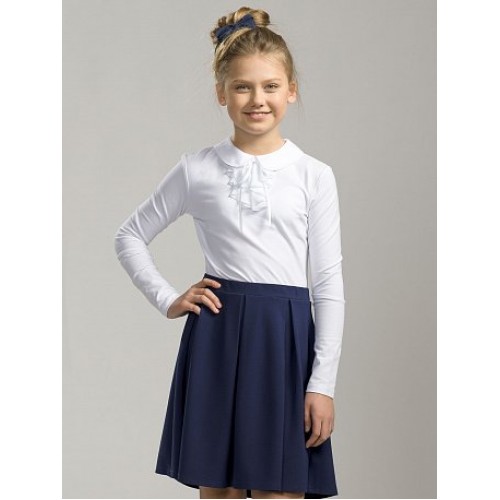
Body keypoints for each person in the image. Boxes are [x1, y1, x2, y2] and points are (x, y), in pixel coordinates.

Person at [114, 6, 345, 499]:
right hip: (217, 338)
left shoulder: (313, 176)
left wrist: (321, 384)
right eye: (242, 87)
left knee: (279, 489)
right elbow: (129, 235)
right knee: (218, 491)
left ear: (291, 90)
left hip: (284, 343)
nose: (257, 99)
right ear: (222, 93)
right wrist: (168, 298)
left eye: (270, 86)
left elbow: (327, 285)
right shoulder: (197, 169)